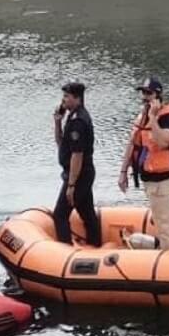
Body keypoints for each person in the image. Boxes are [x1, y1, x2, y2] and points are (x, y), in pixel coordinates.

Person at [118, 77, 169, 251]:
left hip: (162, 180)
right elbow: (133, 143)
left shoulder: (168, 117)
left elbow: (163, 141)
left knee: (165, 228)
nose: (144, 96)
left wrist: (153, 118)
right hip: (150, 178)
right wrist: (123, 171)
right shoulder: (143, 116)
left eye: (148, 93)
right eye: (142, 92)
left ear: (157, 95)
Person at [52, 82, 102, 247]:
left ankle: (64, 252)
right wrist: (58, 122)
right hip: (80, 173)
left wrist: (71, 185)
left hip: (79, 174)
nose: (63, 100)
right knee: (87, 213)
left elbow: (77, 155)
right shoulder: (71, 118)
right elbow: (61, 144)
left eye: (67, 96)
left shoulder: (78, 122)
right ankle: (96, 245)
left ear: (77, 98)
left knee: (60, 214)